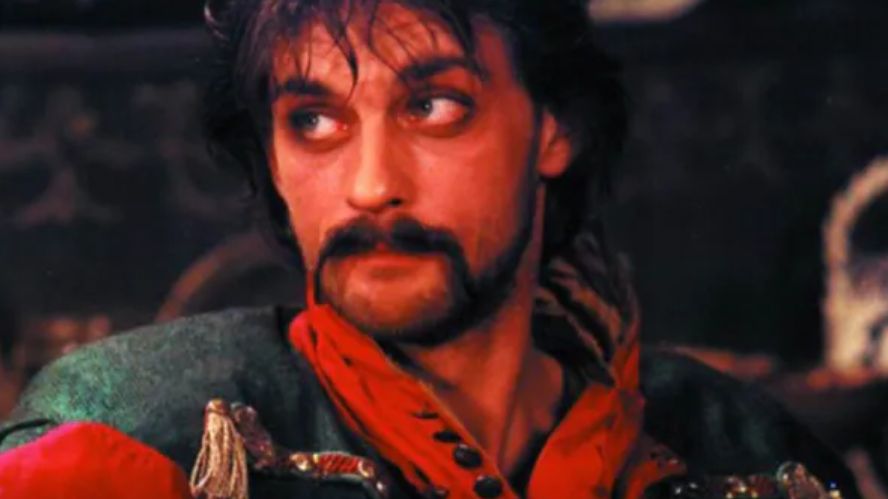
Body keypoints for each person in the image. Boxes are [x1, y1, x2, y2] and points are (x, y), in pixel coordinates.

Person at [0, 0, 861, 497]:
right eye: (314, 120)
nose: (371, 183)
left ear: (553, 127)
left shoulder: (751, 454)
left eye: (433, 107)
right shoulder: (134, 437)